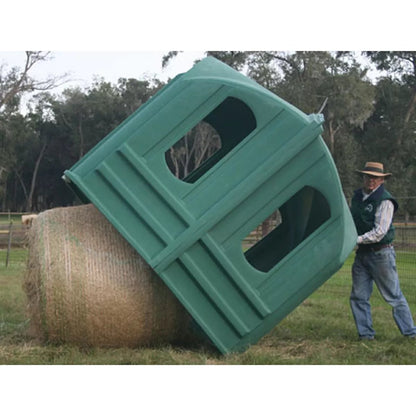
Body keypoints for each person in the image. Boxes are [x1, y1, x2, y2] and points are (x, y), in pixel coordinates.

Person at [350, 161, 416, 340]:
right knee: (358, 296)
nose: (371, 180)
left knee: (393, 296)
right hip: (362, 254)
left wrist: (354, 240)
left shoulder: (385, 200)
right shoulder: (356, 198)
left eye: (375, 177)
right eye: (368, 176)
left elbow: (380, 232)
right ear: (363, 177)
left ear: (381, 180)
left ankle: (410, 333)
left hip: (381, 254)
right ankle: (366, 335)